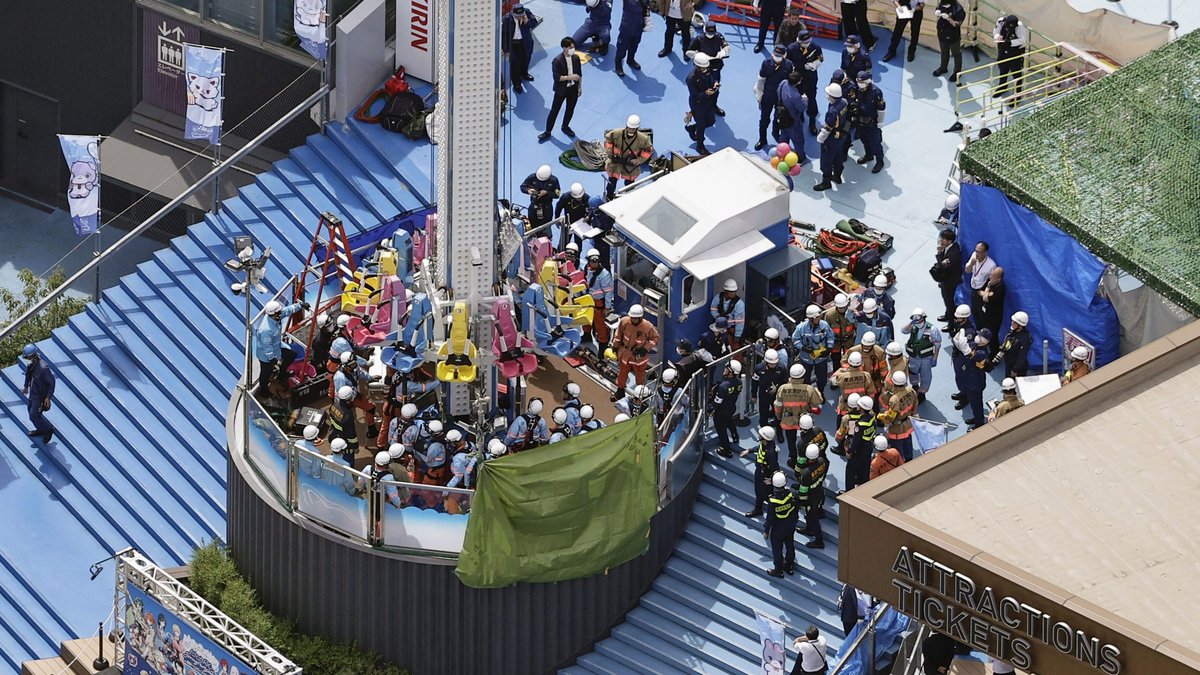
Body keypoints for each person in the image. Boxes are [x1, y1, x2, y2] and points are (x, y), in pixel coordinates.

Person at [253, 299, 305, 395]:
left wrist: (300, 305)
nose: (281, 313)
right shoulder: (266, 330)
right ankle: (264, 390)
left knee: (291, 355)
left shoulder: (276, 316)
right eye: (279, 312)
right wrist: (272, 359)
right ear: (274, 314)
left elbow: (288, 310)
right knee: (266, 373)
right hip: (266, 356)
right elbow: (266, 347)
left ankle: (282, 374)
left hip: (277, 347)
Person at [774, 366, 824, 467]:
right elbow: (818, 402)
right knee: (806, 440)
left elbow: (778, 405)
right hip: (804, 420)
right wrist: (816, 391)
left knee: (791, 440)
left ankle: (793, 460)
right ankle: (808, 458)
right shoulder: (809, 389)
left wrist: (779, 417)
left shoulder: (782, 388)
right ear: (803, 375)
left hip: (788, 419)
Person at [611, 303, 659, 398]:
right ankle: (620, 391)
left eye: (635, 318)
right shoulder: (624, 322)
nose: (633, 320)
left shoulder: (647, 326)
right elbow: (618, 334)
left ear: (640, 317)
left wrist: (644, 349)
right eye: (632, 318)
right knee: (622, 373)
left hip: (639, 357)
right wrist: (615, 346)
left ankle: (640, 395)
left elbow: (655, 338)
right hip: (625, 354)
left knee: (640, 376)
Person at [540, 38, 583, 142]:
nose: (573, 49)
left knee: (570, 109)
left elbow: (579, 74)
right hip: (561, 90)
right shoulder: (557, 61)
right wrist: (571, 77)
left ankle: (565, 126)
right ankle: (548, 131)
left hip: (573, 89)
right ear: (564, 48)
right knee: (554, 111)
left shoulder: (576, 58)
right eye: (570, 48)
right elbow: (557, 78)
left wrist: (580, 87)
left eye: (574, 47)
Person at [686, 21, 731, 117]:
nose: (711, 34)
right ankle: (697, 109)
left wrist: (723, 52)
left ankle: (713, 106)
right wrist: (700, 56)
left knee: (715, 89)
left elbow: (726, 46)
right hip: (702, 68)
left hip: (715, 67)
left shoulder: (719, 36)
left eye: (712, 32)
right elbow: (689, 52)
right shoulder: (699, 39)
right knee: (700, 90)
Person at [754, 45, 794, 151]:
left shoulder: (789, 65)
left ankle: (776, 134)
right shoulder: (766, 63)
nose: (777, 57)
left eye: (779, 55)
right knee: (764, 119)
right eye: (775, 55)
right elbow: (761, 80)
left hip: (780, 98)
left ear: (784, 55)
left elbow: (790, 84)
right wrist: (759, 94)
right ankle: (762, 139)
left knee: (778, 118)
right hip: (767, 96)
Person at [604, 114, 653, 199]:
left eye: (633, 129)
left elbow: (648, 150)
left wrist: (639, 160)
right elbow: (607, 141)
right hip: (616, 162)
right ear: (626, 126)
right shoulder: (617, 133)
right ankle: (609, 197)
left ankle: (629, 198)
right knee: (612, 182)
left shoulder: (642, 139)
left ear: (637, 128)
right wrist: (614, 151)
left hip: (630, 164)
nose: (631, 130)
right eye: (629, 128)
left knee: (629, 184)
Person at [786, 29, 823, 136]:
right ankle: (800, 114)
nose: (807, 44)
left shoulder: (815, 47)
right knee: (798, 98)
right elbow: (788, 63)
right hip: (797, 79)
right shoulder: (791, 49)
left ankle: (812, 122)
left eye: (808, 41)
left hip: (811, 78)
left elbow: (820, 59)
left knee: (811, 99)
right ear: (799, 41)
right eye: (804, 42)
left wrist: (814, 65)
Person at [813, 83, 850, 191]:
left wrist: (820, 139)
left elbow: (828, 128)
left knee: (826, 161)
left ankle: (826, 182)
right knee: (838, 156)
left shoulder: (833, 112)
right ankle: (837, 176)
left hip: (831, 138)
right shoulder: (844, 102)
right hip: (841, 136)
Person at [792, 304, 835, 393]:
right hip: (806, 359)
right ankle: (808, 394)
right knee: (806, 379)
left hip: (821, 359)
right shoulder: (801, 328)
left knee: (822, 379)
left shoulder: (824, 325)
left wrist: (829, 349)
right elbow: (795, 339)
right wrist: (803, 347)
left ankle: (821, 392)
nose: (819, 319)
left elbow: (830, 337)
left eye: (819, 317)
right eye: (817, 317)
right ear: (811, 318)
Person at [901, 308, 941, 403]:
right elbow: (903, 330)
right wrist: (911, 323)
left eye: (918, 318)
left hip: (925, 358)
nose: (916, 320)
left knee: (925, 376)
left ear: (923, 317)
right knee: (912, 373)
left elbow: (937, 345)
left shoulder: (932, 329)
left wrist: (935, 358)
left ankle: (922, 394)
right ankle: (915, 387)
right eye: (914, 318)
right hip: (913, 356)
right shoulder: (913, 327)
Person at [762, 470, 797, 577]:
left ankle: (778, 570)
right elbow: (796, 509)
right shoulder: (791, 495)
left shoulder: (773, 502)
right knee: (790, 545)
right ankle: (789, 565)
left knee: (777, 549)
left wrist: (766, 531)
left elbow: (770, 518)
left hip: (778, 529)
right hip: (790, 525)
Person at [851, 70, 886, 174]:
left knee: (876, 143)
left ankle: (879, 161)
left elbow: (881, 109)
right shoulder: (858, 89)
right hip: (860, 121)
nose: (859, 84)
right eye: (858, 82)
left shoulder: (876, 92)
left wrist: (880, 123)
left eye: (861, 82)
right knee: (864, 140)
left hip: (872, 123)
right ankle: (868, 155)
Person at [954, 327, 990, 427]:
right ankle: (977, 417)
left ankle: (979, 422)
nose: (977, 337)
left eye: (980, 336)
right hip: (970, 380)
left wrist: (963, 345)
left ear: (984, 341)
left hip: (975, 383)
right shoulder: (976, 345)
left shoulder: (982, 353)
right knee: (974, 403)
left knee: (976, 403)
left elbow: (968, 353)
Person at [20, 345, 56, 443]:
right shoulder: (31, 365)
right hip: (33, 394)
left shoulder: (43, 368)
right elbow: (28, 375)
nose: (26, 359)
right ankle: (40, 429)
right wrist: (26, 386)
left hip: (40, 396)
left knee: (34, 415)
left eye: (27, 357)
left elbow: (51, 383)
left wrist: (48, 397)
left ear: (33, 356)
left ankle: (48, 429)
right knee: (30, 411)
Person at [795, 443, 828, 548]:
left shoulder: (806, 473)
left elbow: (803, 491)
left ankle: (819, 541)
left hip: (811, 497)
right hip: (819, 492)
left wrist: (803, 503)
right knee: (810, 516)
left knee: (813, 519)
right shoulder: (822, 461)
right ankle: (808, 529)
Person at [686, 53, 719, 155]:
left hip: (707, 101)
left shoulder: (708, 68)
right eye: (703, 67)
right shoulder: (691, 78)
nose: (706, 69)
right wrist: (706, 93)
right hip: (697, 104)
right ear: (697, 66)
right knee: (701, 126)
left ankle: (692, 128)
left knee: (711, 121)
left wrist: (715, 82)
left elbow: (713, 76)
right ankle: (700, 146)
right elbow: (694, 95)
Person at [502, 4, 539, 93]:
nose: (520, 17)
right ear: (513, 13)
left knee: (526, 59)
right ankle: (516, 82)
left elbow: (534, 23)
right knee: (515, 64)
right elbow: (503, 35)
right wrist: (506, 49)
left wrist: (527, 22)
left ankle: (524, 74)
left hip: (525, 42)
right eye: (517, 16)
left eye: (521, 15)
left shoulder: (527, 13)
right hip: (513, 44)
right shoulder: (507, 19)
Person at [743, 426, 780, 517]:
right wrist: (749, 450)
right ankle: (758, 509)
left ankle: (775, 513)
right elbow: (759, 448)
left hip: (766, 477)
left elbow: (775, 468)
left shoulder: (771, 453)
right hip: (759, 472)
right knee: (758, 492)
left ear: (764, 438)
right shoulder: (765, 444)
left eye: (760, 435)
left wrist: (771, 480)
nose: (759, 435)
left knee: (767, 496)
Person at [881, 371, 917, 460]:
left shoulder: (894, 399)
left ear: (893, 383)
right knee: (908, 443)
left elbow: (891, 417)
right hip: (908, 424)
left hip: (897, 429)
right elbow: (915, 405)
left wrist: (883, 417)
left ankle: (900, 463)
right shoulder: (911, 390)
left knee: (897, 450)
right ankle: (909, 459)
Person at [843, 395, 877, 491]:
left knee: (850, 472)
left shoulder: (860, 424)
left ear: (861, 408)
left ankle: (848, 492)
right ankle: (863, 489)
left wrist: (850, 451)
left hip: (859, 450)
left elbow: (856, 441)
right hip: (868, 447)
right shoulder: (872, 418)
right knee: (865, 470)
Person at [710, 360, 743, 457]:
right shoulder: (739, 382)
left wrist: (709, 410)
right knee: (729, 421)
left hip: (721, 411)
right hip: (731, 407)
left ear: (731, 372)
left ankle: (726, 449)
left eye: (727, 368)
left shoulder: (723, 387)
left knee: (721, 429)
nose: (724, 369)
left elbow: (717, 402)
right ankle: (735, 435)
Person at [831, 352, 875, 424]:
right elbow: (871, 393)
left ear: (849, 362)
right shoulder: (865, 375)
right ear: (861, 363)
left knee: (842, 424)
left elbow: (833, 381)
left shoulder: (841, 375)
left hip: (845, 407)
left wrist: (843, 370)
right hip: (861, 407)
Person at [993, 14, 1028, 98]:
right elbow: (995, 31)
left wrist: (1010, 43)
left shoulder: (1019, 26)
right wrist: (997, 37)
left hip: (1015, 52)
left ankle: (1017, 93)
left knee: (1016, 73)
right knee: (1002, 69)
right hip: (1002, 50)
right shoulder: (1000, 21)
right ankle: (1002, 86)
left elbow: (1023, 40)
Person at [972, 266, 1007, 351]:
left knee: (992, 337)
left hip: (994, 318)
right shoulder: (989, 282)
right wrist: (986, 292)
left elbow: (986, 298)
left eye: (992, 276)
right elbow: (979, 291)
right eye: (990, 275)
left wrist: (985, 292)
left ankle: (993, 353)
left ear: (998, 279)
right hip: (985, 314)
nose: (990, 277)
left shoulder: (1001, 288)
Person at [753, 349, 789, 430]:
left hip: (777, 396)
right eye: (771, 364)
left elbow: (785, 383)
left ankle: (778, 427)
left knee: (778, 412)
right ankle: (764, 427)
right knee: (763, 412)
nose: (773, 365)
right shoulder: (759, 369)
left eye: (775, 363)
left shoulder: (781, 368)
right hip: (763, 395)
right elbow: (754, 382)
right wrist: (753, 395)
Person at [776, 70, 810, 153]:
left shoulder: (783, 83)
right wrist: (805, 99)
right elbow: (802, 108)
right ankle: (800, 156)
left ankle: (782, 152)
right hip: (792, 119)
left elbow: (778, 92)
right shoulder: (795, 95)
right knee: (798, 140)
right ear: (797, 82)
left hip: (781, 114)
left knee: (783, 136)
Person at [932, 229, 962, 322]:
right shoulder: (947, 247)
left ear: (949, 241)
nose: (941, 241)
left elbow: (942, 266)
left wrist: (938, 254)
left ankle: (951, 321)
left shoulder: (954, 253)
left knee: (949, 300)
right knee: (946, 299)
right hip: (945, 278)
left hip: (950, 281)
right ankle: (948, 314)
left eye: (944, 239)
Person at [932, 0, 966, 82]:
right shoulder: (943, 3)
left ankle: (957, 71)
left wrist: (948, 18)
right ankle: (943, 68)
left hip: (953, 35)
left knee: (956, 54)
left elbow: (957, 24)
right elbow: (939, 7)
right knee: (944, 52)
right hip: (942, 33)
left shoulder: (958, 9)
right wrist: (937, 11)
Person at [614, 0, 649, 77]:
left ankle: (630, 60)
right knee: (622, 47)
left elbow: (646, 8)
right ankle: (618, 64)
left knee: (634, 45)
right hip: (627, 27)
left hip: (638, 26)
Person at [992, 310, 1031, 377]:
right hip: (1009, 363)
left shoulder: (1025, 339)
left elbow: (1022, 356)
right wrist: (998, 357)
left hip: (1018, 368)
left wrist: (1015, 370)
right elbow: (1006, 345)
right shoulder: (1012, 333)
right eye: (1012, 321)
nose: (1012, 323)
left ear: (1020, 326)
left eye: (1014, 322)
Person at [710, 279, 746, 347]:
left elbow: (740, 322)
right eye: (731, 292)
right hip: (718, 326)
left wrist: (737, 335)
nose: (733, 293)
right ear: (725, 291)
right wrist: (717, 316)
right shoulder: (718, 298)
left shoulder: (739, 304)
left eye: (734, 291)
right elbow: (713, 309)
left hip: (731, 329)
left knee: (731, 346)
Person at [328, 385, 360, 452]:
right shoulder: (348, 416)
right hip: (344, 445)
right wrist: (355, 447)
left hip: (333, 436)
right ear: (348, 400)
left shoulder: (335, 402)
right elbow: (351, 435)